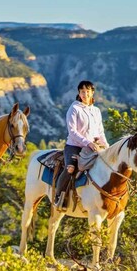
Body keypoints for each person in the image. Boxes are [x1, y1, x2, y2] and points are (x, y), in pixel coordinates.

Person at [54, 80, 109, 208]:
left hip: (92, 147)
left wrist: (106, 146)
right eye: (82, 92)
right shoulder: (74, 108)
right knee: (70, 168)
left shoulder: (96, 111)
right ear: (79, 93)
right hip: (74, 146)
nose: (85, 94)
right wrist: (87, 142)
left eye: (87, 91)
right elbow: (72, 131)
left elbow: (100, 132)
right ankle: (59, 197)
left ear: (92, 92)